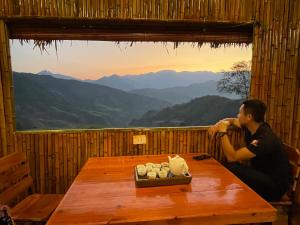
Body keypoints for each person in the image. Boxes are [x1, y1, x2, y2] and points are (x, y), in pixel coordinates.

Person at [208, 99, 290, 201]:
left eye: (240, 113)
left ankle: (221, 198)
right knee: (230, 167)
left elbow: (232, 157)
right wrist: (219, 123)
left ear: (249, 117)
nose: (238, 115)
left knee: (231, 167)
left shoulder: (264, 139)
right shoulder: (254, 126)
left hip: (274, 187)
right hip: (263, 176)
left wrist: (222, 132)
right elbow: (233, 121)